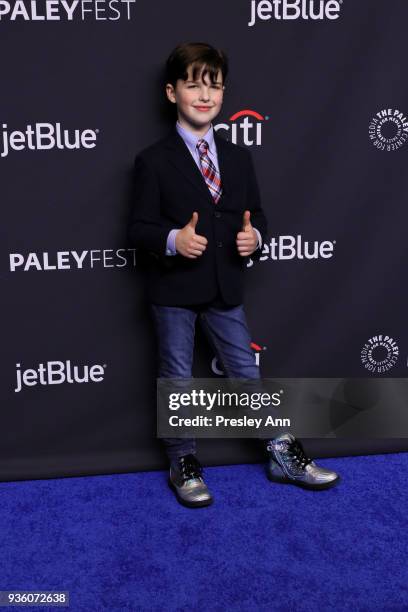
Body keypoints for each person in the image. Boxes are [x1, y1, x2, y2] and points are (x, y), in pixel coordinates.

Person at [128, 41, 339, 508]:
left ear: (223, 93)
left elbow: (256, 217)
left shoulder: (239, 157)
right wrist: (172, 240)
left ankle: (281, 452)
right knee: (178, 378)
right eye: (193, 85)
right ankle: (182, 460)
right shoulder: (153, 161)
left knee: (246, 372)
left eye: (214, 86)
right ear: (171, 92)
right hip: (174, 290)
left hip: (225, 287)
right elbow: (138, 229)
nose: (205, 95)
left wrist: (255, 240)